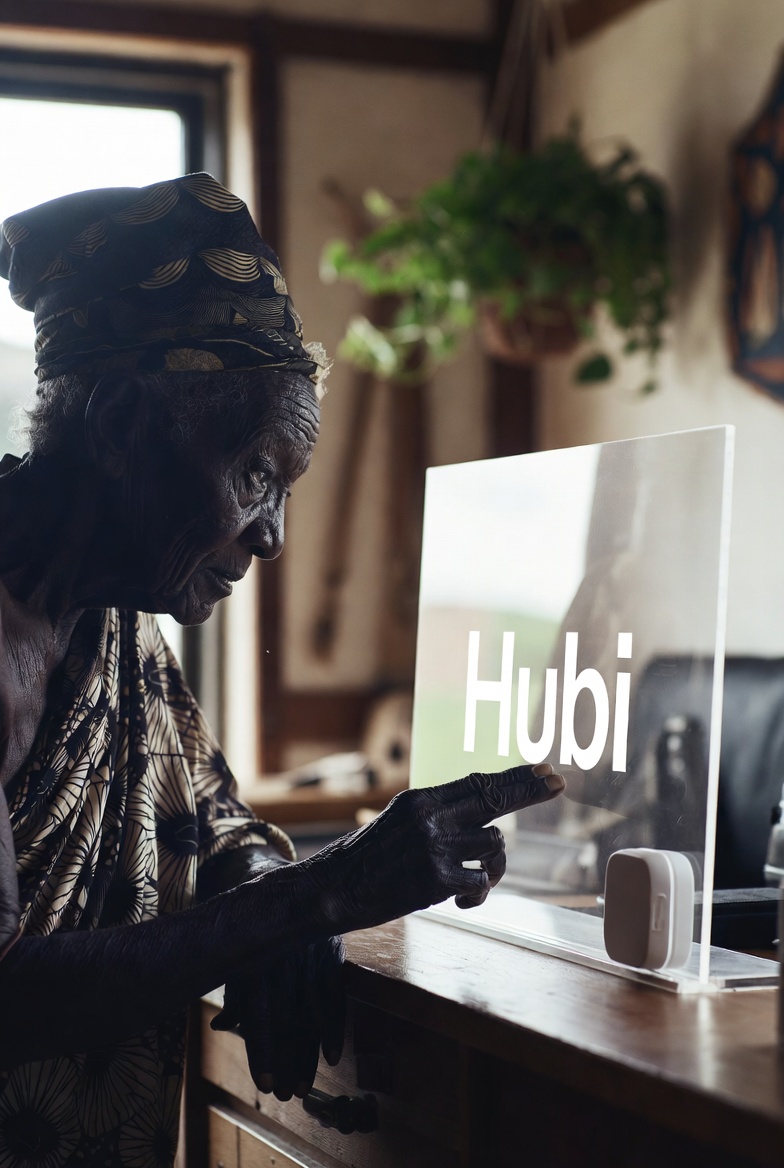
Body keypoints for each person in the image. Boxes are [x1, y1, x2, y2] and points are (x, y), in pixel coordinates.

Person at [0, 174, 565, 1166]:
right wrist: (320, 895)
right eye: (255, 473)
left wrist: (278, 899)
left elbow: (215, 829)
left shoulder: (113, 626)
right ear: (127, 425)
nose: (271, 535)